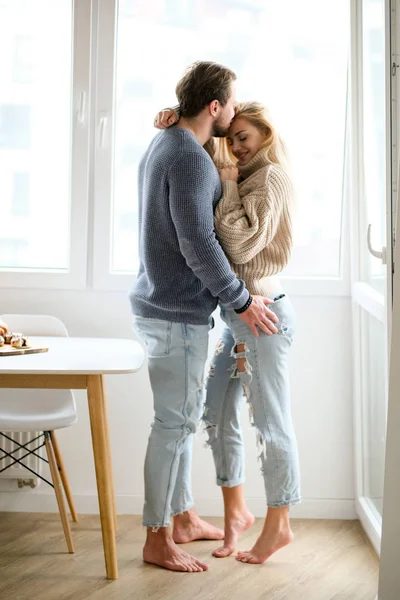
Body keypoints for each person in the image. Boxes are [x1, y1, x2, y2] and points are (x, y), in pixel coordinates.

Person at [130, 62, 279, 573]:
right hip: (176, 312)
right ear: (214, 107)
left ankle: (185, 517)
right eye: (232, 103)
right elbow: (199, 243)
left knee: (180, 420)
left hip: (161, 304)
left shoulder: (168, 143)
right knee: (173, 425)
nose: (236, 110)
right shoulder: (189, 158)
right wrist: (241, 299)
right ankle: (157, 538)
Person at [155, 101, 300, 565]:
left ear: (266, 135)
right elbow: (204, 135)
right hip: (239, 317)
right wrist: (173, 116)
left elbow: (238, 240)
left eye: (245, 137)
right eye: (231, 137)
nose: (235, 146)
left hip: (265, 315)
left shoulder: (268, 177)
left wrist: (231, 186)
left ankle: (280, 524)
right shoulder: (233, 166)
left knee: (271, 421)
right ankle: (236, 511)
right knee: (215, 411)